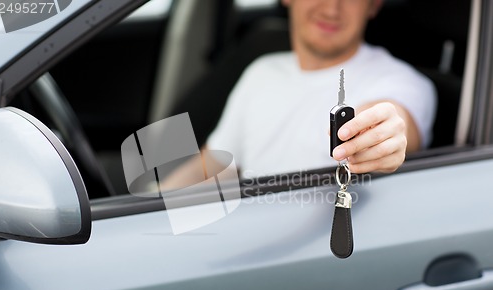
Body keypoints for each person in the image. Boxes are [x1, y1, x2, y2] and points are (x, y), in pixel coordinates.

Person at [163, 0, 436, 188]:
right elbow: (213, 165)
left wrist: (382, 136)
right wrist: (147, 205)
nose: (332, 8)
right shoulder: (262, 71)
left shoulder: (403, 82)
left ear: (373, 5)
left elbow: (392, 120)